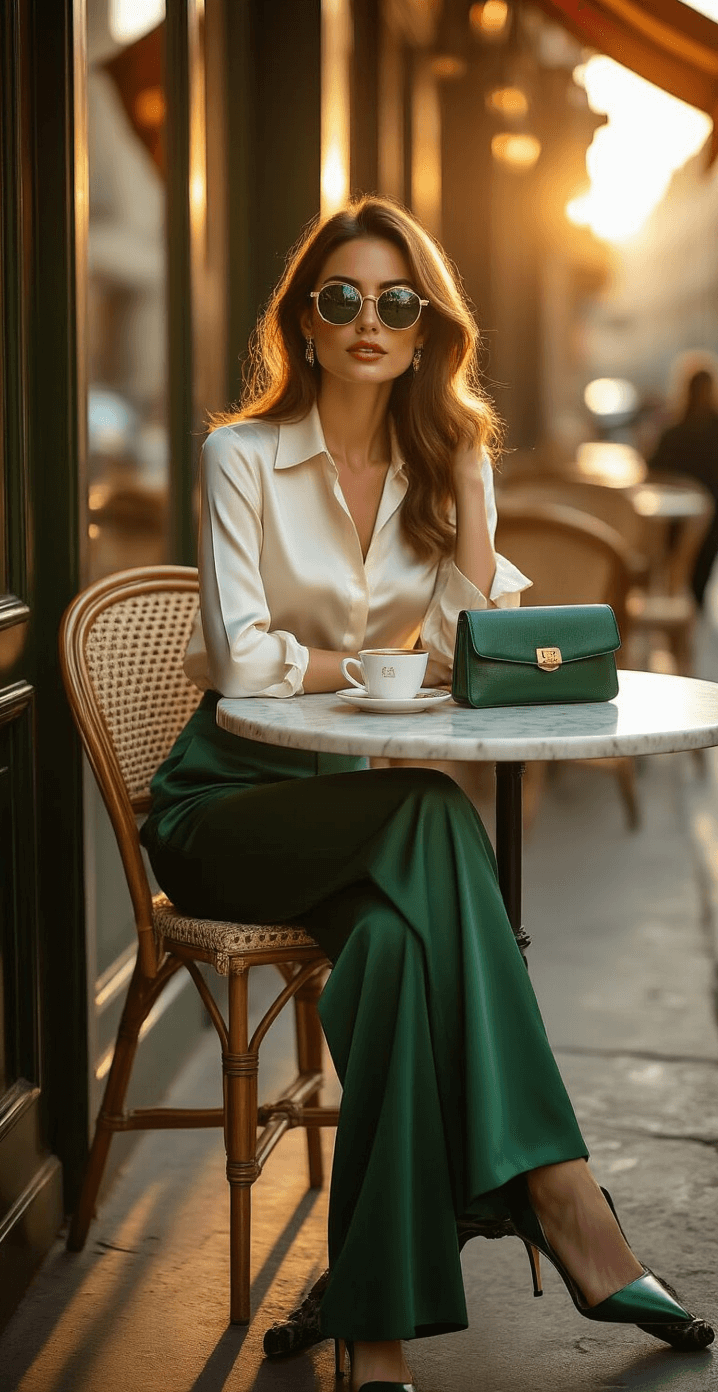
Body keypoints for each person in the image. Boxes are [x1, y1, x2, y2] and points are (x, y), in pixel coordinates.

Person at [140, 197, 713, 1390]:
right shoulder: (239, 456)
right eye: (340, 298)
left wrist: (468, 480)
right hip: (230, 807)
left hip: (360, 817)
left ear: (423, 329)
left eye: (396, 303)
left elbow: (474, 647)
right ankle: (561, 1196)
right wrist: (367, 668)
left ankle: (378, 1332)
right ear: (302, 321)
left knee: (398, 960)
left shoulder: (432, 461)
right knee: (435, 812)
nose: (367, 321)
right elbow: (243, 661)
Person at [649, 368, 718, 606]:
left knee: (675, 578)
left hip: (676, 523)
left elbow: (652, 472)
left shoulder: (673, 434)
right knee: (694, 583)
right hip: (703, 523)